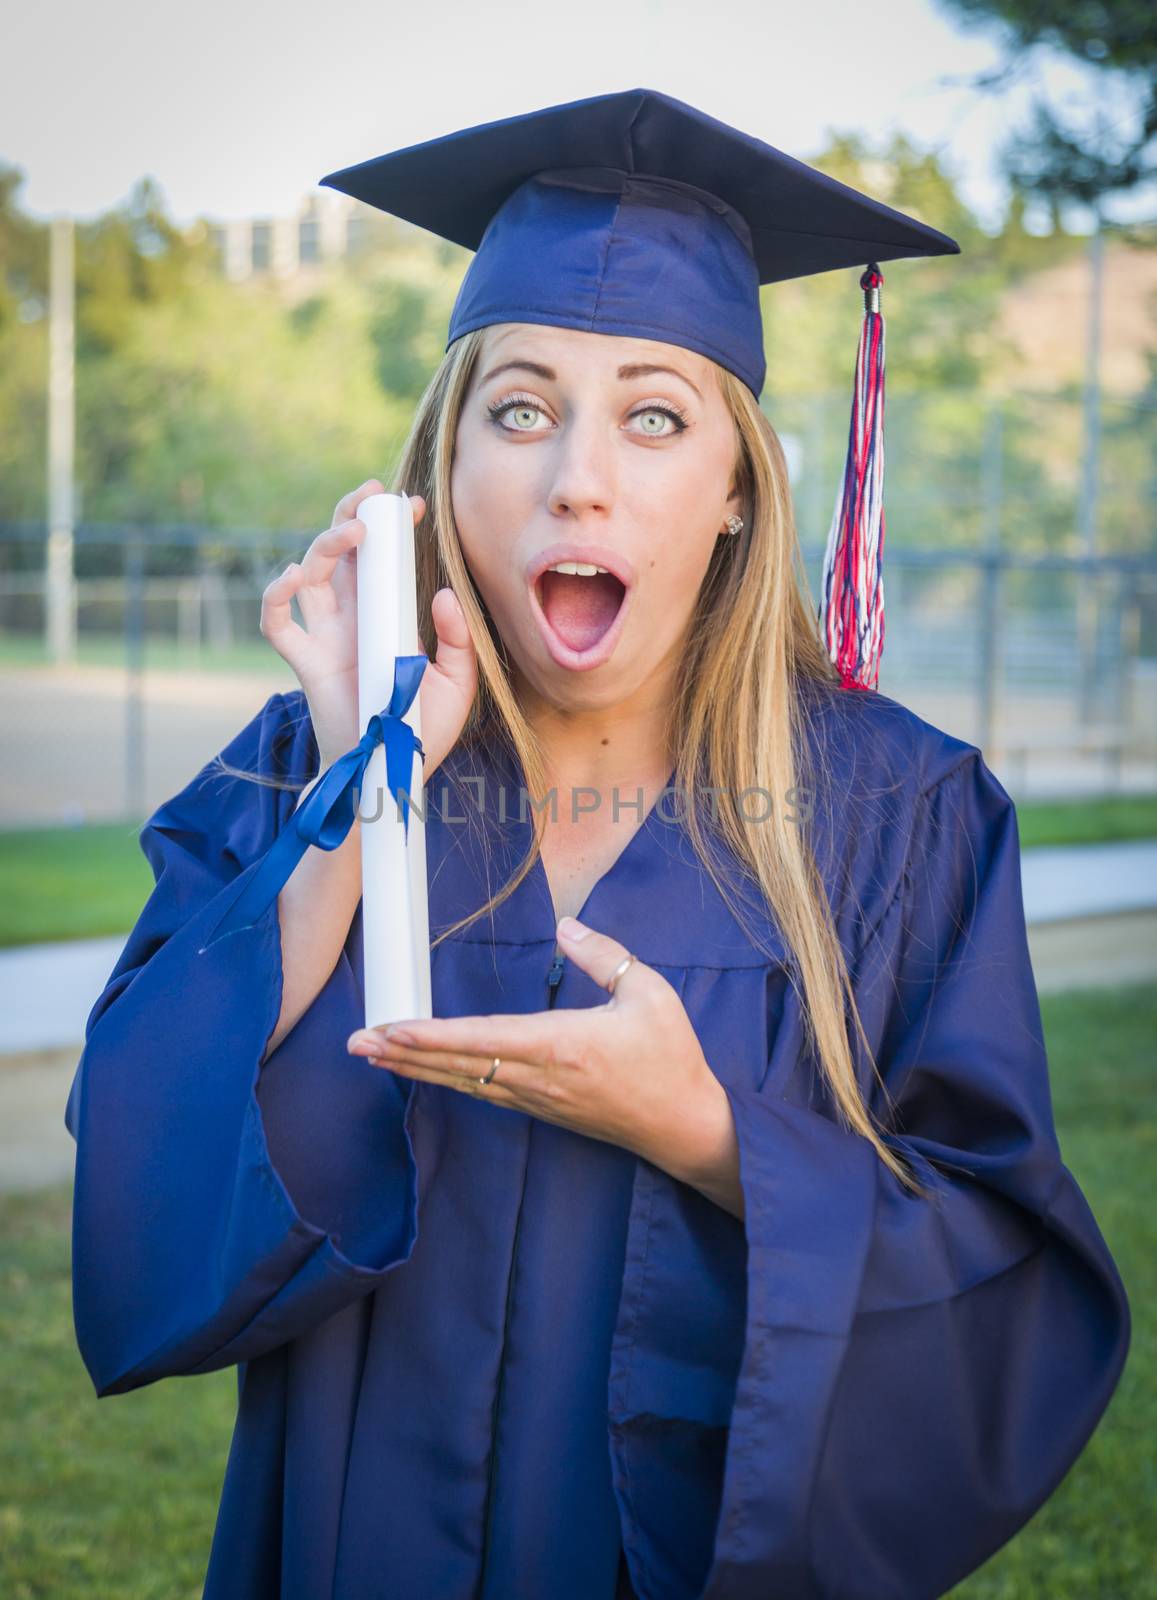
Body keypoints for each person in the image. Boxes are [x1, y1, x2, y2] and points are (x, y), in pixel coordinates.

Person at [65, 88, 1130, 1600]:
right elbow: (136, 1165)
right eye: (518, 408)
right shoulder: (307, 763)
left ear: (736, 496)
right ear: (445, 477)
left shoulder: (902, 816)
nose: (578, 474)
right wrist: (364, 781)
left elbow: (1009, 1295)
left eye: (653, 414)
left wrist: (705, 1135)